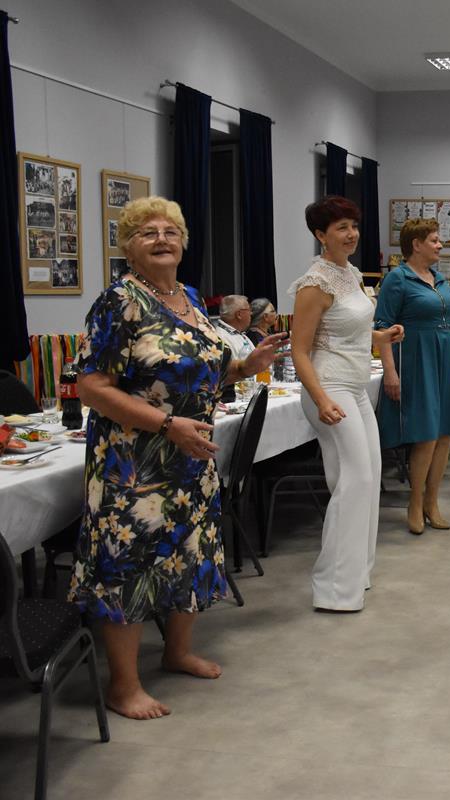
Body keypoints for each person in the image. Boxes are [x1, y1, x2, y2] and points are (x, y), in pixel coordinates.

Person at [68, 196, 284, 719]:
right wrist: (167, 425)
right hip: (133, 460)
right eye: (148, 233)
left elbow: (197, 368)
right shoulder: (119, 301)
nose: (162, 239)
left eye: (170, 231)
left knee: (189, 551)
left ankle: (178, 651)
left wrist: (244, 366)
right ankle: (123, 685)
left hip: (191, 455)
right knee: (128, 562)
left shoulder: (186, 296)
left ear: (184, 243)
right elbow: (92, 387)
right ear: (128, 247)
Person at [290, 196, 404, 612]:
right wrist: (320, 399)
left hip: (355, 386)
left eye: (353, 225)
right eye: (341, 227)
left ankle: (356, 575)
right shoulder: (314, 283)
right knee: (353, 480)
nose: (351, 233)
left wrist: (379, 337)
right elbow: (300, 350)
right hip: (330, 387)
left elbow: (343, 330)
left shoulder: (350, 274)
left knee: (368, 477)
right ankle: (334, 588)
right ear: (320, 235)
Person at [375, 218, 450, 534]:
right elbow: (382, 327)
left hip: (445, 360)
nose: (440, 245)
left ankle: (432, 502)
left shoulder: (439, 279)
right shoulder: (397, 279)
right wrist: (390, 371)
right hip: (417, 359)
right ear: (416, 244)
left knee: (444, 433)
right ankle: (414, 503)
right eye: (435, 240)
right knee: (425, 434)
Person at [213, 294, 254, 360]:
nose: (251, 313)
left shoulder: (238, 333)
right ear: (239, 314)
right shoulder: (221, 338)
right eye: (249, 310)